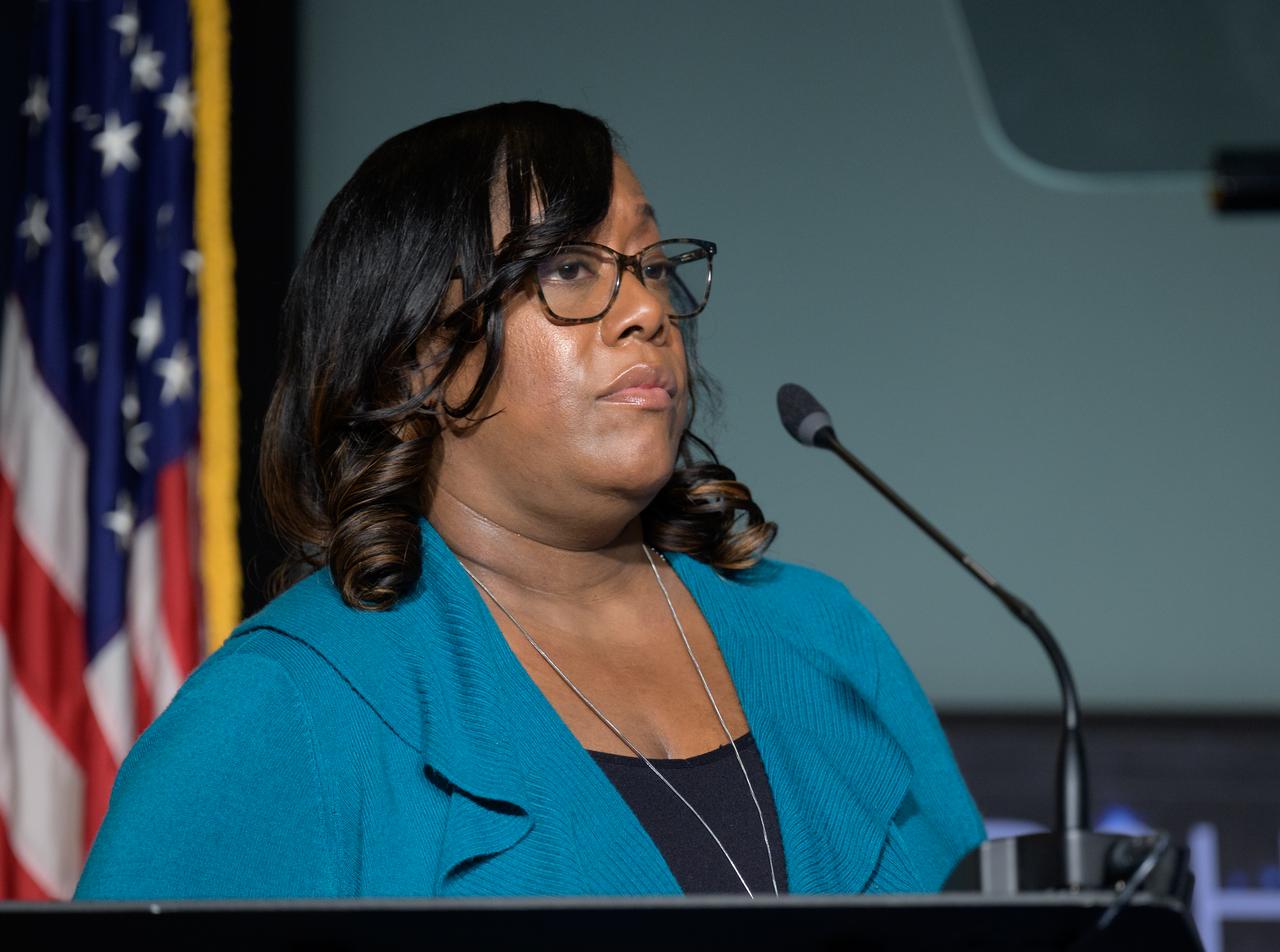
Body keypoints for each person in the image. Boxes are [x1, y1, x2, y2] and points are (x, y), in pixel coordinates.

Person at [74, 101, 985, 900]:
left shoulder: (825, 639)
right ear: (416, 353)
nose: (648, 311)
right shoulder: (287, 712)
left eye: (652, 263)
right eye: (572, 268)